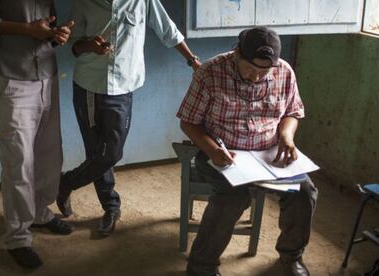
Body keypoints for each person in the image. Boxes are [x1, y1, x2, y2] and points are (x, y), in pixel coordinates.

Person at [176, 26, 318, 276]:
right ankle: (201, 267)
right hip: (222, 153)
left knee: (305, 192)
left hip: (268, 154)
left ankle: (291, 257)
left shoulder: (284, 71)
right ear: (236, 53)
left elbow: (293, 112)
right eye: (251, 69)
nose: (256, 77)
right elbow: (188, 121)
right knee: (233, 197)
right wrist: (211, 150)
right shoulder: (210, 72)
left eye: (264, 72)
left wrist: (286, 136)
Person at [56, 0, 202, 236]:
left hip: (123, 86)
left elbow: (168, 30)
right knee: (97, 153)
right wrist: (89, 46)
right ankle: (111, 207)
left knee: (110, 153)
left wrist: (192, 60)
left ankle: (65, 184)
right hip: (89, 86)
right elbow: (73, 46)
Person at [0, 0, 74, 269]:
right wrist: (26, 29)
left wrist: (56, 35)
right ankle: (17, 238)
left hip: (48, 77)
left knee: (50, 156)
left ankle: (39, 212)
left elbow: (45, 28)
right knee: (19, 163)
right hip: (15, 79)